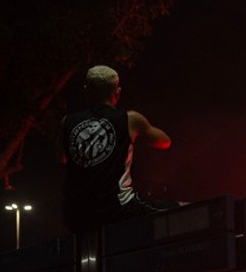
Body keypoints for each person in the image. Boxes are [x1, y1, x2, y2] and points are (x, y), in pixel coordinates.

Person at [61, 64, 176, 232]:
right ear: (117, 92)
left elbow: (62, 157)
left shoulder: (66, 123)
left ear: (86, 90)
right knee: (185, 209)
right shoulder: (130, 119)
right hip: (119, 210)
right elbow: (165, 142)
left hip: (76, 215)